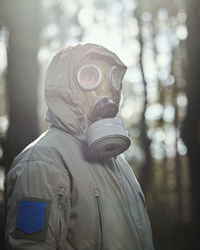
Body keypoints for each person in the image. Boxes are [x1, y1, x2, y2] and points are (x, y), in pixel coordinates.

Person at [5, 43, 154, 250]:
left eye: (112, 79)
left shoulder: (117, 162)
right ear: (65, 89)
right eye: (90, 77)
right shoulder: (42, 162)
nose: (106, 90)